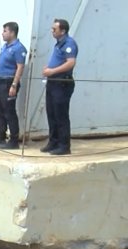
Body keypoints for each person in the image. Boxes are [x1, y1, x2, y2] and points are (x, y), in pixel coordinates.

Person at [0, 22, 27, 150]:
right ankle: (0, 135)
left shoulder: (19, 48)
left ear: (12, 33)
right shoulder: (5, 47)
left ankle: (14, 140)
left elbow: (20, 67)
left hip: (8, 82)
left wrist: (14, 85)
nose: (2, 33)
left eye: (5, 31)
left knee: (9, 111)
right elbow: (0, 64)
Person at [41, 18, 78, 155]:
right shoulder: (58, 44)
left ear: (63, 31)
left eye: (54, 29)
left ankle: (64, 145)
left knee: (60, 115)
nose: (52, 31)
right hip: (53, 82)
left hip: (62, 83)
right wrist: (48, 67)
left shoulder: (69, 43)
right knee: (51, 113)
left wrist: (52, 71)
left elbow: (70, 62)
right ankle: (53, 142)